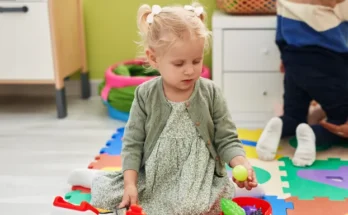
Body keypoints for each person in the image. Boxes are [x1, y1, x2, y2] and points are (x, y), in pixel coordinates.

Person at [69, 3, 257, 214]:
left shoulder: (211, 92)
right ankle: (95, 179)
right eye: (179, 64)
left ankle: (235, 190)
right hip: (156, 172)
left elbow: (227, 138)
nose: (189, 70)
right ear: (153, 58)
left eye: (196, 61)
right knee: (117, 194)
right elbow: (133, 144)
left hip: (198, 173)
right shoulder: (145, 94)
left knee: (191, 206)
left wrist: (242, 162)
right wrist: (130, 184)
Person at [256, 0, 348, 166]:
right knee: (341, 120)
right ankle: (313, 134)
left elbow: (280, 34)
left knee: (294, 115)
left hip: (293, 61)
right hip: (328, 63)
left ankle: (280, 124)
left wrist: (285, 58)